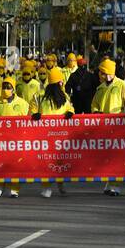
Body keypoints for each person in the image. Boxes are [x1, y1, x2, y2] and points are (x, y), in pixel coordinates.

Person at [91, 58, 125, 196]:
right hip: (104, 128)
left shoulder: (122, 86)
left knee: (117, 158)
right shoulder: (100, 88)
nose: (100, 75)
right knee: (107, 158)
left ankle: (115, 186)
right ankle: (109, 183)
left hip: (118, 128)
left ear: (108, 72)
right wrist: (96, 112)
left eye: (102, 72)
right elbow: (94, 105)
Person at [35, 67, 75, 197]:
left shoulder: (65, 97)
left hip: (60, 136)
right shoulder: (40, 97)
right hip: (46, 135)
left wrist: (71, 113)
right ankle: (47, 187)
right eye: (60, 82)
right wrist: (34, 114)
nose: (62, 84)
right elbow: (33, 109)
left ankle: (60, 183)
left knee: (59, 161)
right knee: (47, 162)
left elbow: (71, 109)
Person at [0, 78, 31, 199]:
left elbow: (28, 119)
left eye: (8, 87)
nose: (5, 90)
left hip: (16, 140)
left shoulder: (23, 103)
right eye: (4, 87)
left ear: (13, 89)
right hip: (0, 139)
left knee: (15, 164)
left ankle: (14, 188)